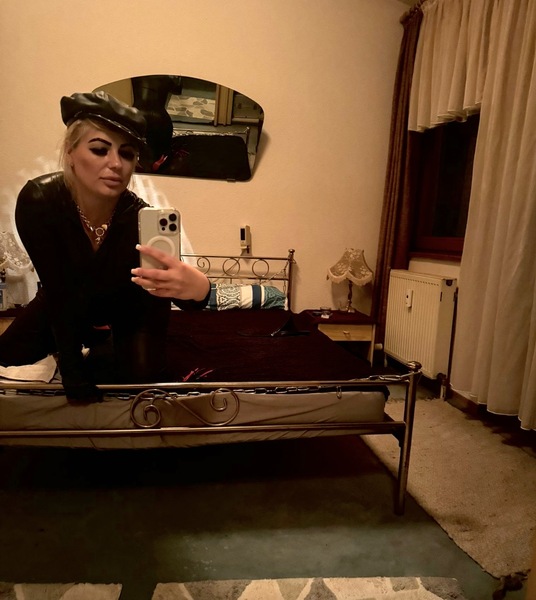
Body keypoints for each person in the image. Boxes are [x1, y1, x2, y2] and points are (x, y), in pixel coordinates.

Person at [0, 91, 210, 403]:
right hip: (67, 298)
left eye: (127, 154)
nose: (115, 163)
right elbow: (58, 291)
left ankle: (104, 341)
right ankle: (92, 337)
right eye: (99, 149)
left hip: (131, 306)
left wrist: (200, 288)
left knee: (140, 378)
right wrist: (72, 367)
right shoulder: (40, 202)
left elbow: (178, 294)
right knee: (8, 354)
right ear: (70, 152)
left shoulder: (140, 218)